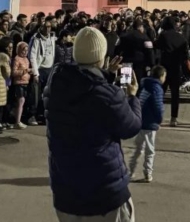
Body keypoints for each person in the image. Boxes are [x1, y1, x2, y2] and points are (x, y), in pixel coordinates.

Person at [44, 27, 141, 222]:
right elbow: (131, 126)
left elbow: (83, 84)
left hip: (66, 192)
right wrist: (131, 96)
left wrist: (105, 74)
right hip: (103, 191)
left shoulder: (55, 86)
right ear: (101, 57)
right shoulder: (108, 96)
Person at [128, 65, 166, 183]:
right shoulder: (156, 89)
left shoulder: (146, 86)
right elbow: (158, 106)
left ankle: (131, 171)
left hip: (141, 121)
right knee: (150, 150)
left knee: (138, 149)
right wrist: (159, 120)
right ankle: (148, 173)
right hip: (150, 123)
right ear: (161, 77)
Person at [154, 16, 187, 127]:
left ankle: (157, 116)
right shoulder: (181, 37)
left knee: (160, 92)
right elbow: (185, 55)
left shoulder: (163, 35)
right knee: (175, 94)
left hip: (165, 67)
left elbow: (156, 45)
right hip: (176, 68)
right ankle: (174, 118)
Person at [11, 42, 31, 129]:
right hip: (19, 82)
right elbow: (14, 72)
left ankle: (19, 119)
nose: (25, 52)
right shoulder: (16, 59)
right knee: (20, 101)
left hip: (26, 82)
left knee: (22, 102)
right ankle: (17, 121)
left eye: (27, 50)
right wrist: (25, 71)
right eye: (23, 50)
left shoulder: (26, 59)